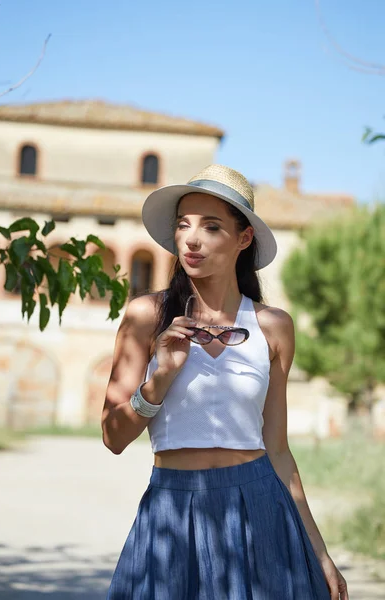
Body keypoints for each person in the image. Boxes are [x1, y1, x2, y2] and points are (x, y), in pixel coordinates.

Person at [102, 164, 348, 600]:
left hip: (259, 508)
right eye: (183, 225)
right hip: (173, 510)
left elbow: (277, 449)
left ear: (244, 238)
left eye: (211, 226)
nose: (191, 239)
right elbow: (113, 437)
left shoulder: (274, 326)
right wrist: (159, 379)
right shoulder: (147, 316)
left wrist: (320, 551)